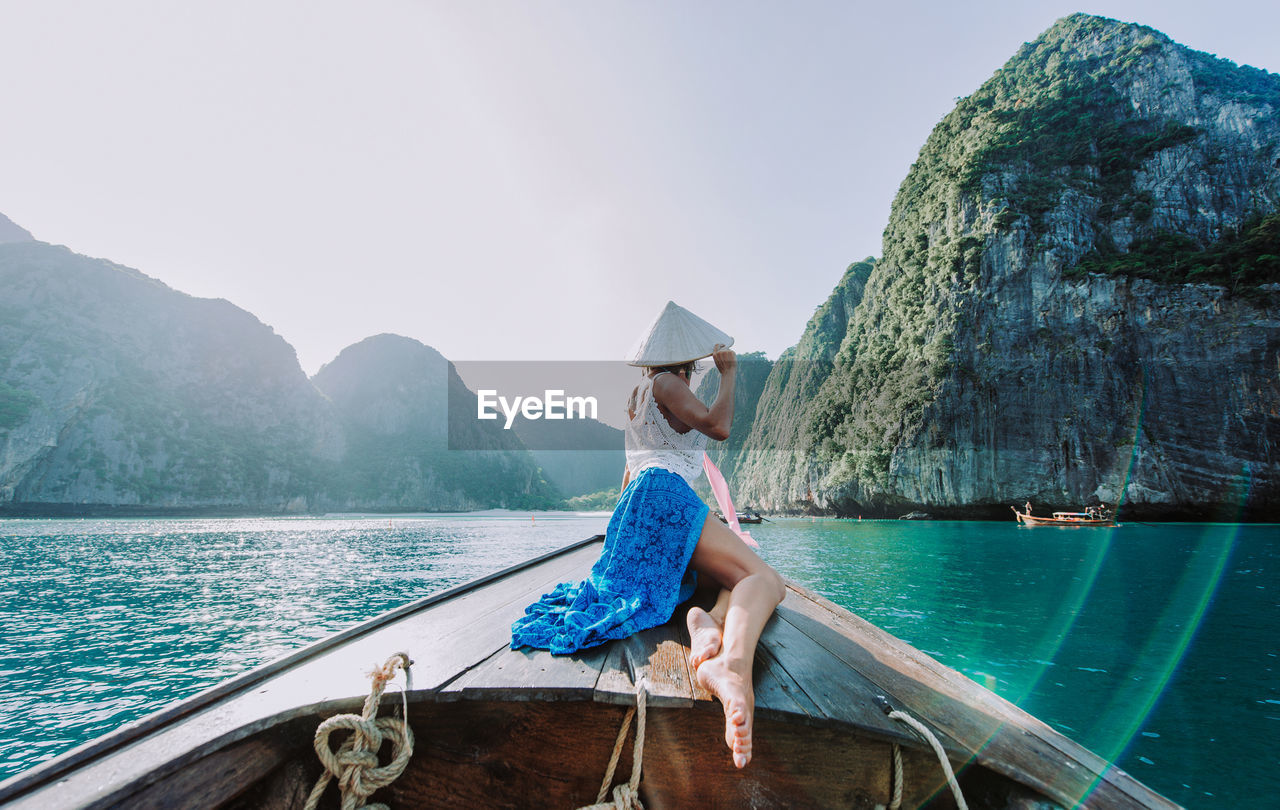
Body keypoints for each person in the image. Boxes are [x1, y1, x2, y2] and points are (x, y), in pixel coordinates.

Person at [510, 301, 785, 769]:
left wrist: (622, 540)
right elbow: (717, 426)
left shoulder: (638, 395)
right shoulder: (666, 383)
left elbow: (627, 472)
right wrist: (730, 374)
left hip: (643, 501)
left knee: (725, 575)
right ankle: (732, 666)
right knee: (766, 581)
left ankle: (708, 624)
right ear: (686, 361)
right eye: (697, 366)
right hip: (665, 496)